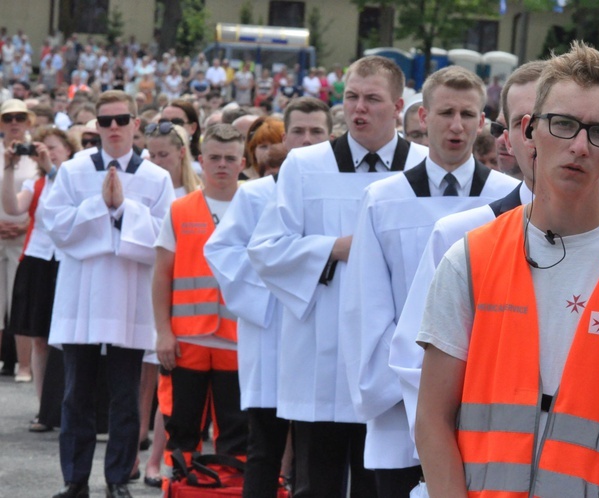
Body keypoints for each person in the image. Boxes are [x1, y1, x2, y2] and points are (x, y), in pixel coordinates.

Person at [414, 42, 599, 497]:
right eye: (563, 125)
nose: (580, 146)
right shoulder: (471, 256)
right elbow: (431, 418)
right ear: (529, 131)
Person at [247, 55, 428, 498]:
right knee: (317, 482)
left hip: (390, 355)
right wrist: (335, 248)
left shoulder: (423, 168)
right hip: (319, 354)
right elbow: (267, 250)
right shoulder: (304, 165)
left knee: (383, 484)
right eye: (350, 97)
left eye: (372, 99)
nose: (358, 108)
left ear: (399, 106)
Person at [340, 65, 519, 497]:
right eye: (445, 113)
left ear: (483, 122)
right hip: (397, 398)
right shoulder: (384, 200)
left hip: (482, 396)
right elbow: (366, 305)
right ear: (422, 117)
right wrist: (409, 384)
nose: (456, 126)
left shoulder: (507, 197)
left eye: (467, 114)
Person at [389, 59, 544, 454]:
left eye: (557, 120)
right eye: (526, 125)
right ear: (505, 139)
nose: (541, 137)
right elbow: (415, 357)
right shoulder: (461, 235)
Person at [41, 90, 174, 498]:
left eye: (121, 120)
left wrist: (122, 211)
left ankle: (118, 478)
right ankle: (75, 479)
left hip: (130, 295)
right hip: (84, 291)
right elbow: (55, 226)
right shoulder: (75, 171)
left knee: (125, 395)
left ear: (137, 124)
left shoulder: (156, 177)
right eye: (105, 121)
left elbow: (162, 238)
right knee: (76, 394)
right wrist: (101, 208)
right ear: (95, 126)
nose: (113, 128)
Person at [205, 97, 333, 498]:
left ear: (330, 136)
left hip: (320, 334)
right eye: (298, 131)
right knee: (264, 447)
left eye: (316, 132)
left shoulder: (339, 190)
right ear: (285, 136)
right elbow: (221, 253)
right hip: (272, 333)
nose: (306, 139)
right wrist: (282, 284)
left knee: (317, 452)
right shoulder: (255, 194)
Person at [153, 124, 248, 475]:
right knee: (181, 429)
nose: (222, 165)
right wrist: (163, 331)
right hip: (185, 341)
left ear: (242, 162)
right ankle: (177, 487)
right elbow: (162, 274)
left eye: (229, 158)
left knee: (238, 433)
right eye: (214, 158)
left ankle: (230, 489)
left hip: (238, 341)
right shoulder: (180, 210)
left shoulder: (257, 207)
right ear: (200, 161)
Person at [2, 127, 77, 432]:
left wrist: (53, 168)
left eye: (54, 147)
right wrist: (8, 169)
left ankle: (67, 405)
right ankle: (44, 408)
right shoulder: (36, 184)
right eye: (42, 148)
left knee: (66, 340)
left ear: (67, 151)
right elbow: (12, 207)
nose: (46, 152)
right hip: (37, 259)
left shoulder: (71, 180)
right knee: (40, 338)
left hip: (65, 262)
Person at [140, 122, 201, 488]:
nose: (157, 161)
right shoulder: (150, 186)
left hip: (185, 300)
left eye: (164, 154)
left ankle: (156, 460)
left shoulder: (194, 193)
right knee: (148, 380)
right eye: (152, 154)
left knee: (170, 386)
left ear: (181, 153)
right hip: (152, 286)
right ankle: (142, 452)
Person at [0, 99, 38, 381]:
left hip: (25, 234)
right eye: (8, 117)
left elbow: (43, 191)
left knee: (20, 299)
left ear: (27, 122)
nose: (14, 122)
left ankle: (24, 366)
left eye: (19, 118)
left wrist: (26, 223)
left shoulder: (36, 154)